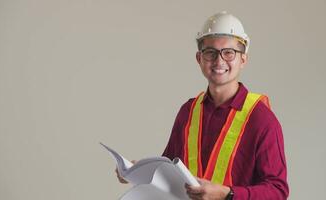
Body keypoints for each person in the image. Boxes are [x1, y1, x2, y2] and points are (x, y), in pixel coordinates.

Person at [117, 11, 289, 200]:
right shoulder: (188, 112)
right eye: (210, 52)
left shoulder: (261, 119)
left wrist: (228, 194)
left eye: (229, 52)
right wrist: (138, 172)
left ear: (243, 59)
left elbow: (277, 192)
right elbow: (167, 172)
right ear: (199, 58)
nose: (219, 60)